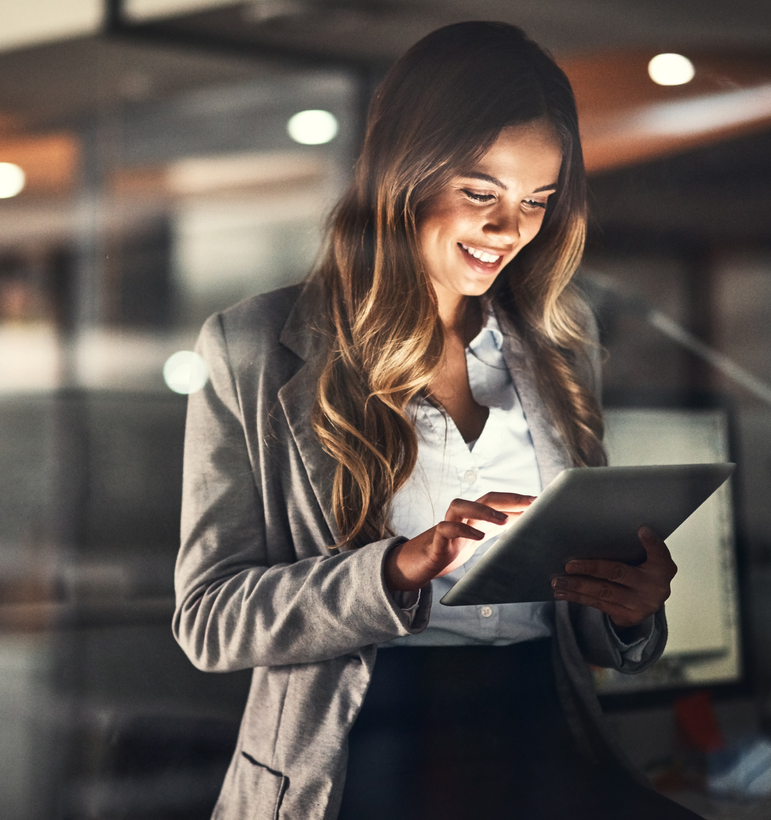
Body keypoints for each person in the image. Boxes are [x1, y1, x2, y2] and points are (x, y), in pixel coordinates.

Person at [173, 21, 700, 820]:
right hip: (363, 756)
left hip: (539, 741)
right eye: (480, 193)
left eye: (535, 202)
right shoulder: (253, 348)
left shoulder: (562, 340)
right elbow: (209, 619)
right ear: (402, 175)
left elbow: (579, 632)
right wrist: (392, 571)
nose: (507, 230)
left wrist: (628, 611)